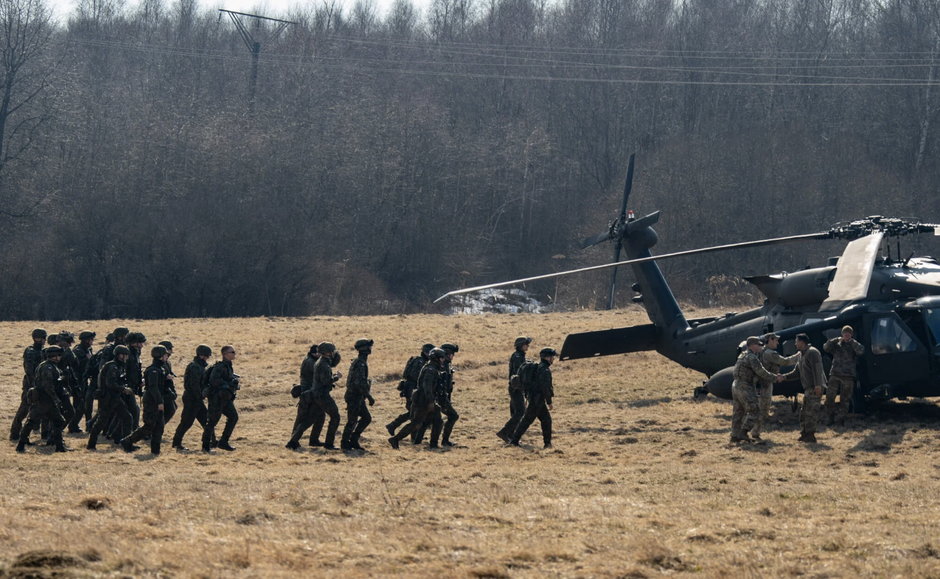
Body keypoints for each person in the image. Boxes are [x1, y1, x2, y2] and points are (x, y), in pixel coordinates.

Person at [388, 347, 446, 449]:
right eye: (441, 358)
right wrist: (431, 401)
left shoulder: (432, 368)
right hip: (422, 400)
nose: (443, 360)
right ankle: (395, 439)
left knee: (438, 421)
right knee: (416, 423)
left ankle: (433, 444)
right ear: (436, 358)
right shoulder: (430, 370)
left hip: (425, 399)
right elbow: (427, 387)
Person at [121, 345, 175, 455]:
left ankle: (155, 451)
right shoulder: (153, 370)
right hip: (152, 401)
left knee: (159, 426)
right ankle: (127, 441)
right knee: (149, 426)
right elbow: (153, 388)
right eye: (165, 354)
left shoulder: (161, 368)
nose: (166, 356)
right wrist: (160, 402)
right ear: (160, 356)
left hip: (157, 399)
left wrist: (167, 379)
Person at [730, 337, 782, 444]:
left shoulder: (743, 355)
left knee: (738, 412)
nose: (761, 346)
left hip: (736, 385)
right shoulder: (752, 357)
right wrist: (775, 377)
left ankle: (734, 436)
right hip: (745, 385)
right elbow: (761, 372)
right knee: (755, 410)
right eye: (759, 345)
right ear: (752, 345)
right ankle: (743, 433)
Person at [16, 346, 67, 452]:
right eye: (57, 355)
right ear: (53, 356)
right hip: (44, 400)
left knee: (58, 421)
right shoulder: (47, 367)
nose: (59, 358)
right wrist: (56, 399)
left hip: (46, 400)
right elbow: (48, 386)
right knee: (32, 421)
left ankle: (59, 447)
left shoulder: (52, 366)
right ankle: (21, 445)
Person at [751, 333, 800, 441]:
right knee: (763, 410)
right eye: (776, 340)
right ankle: (754, 433)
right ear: (769, 340)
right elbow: (785, 361)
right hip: (765, 384)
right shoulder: (769, 353)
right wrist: (799, 355)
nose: (778, 343)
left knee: (760, 409)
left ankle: (753, 432)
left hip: (760, 383)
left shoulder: (762, 351)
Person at [87, 345, 134, 449]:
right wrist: (123, 389)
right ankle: (91, 444)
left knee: (127, 418)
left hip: (115, 398)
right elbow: (110, 383)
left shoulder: (119, 366)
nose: (125, 357)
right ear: (118, 355)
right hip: (108, 399)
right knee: (101, 422)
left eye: (126, 355)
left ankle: (127, 444)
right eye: (123, 355)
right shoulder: (113, 366)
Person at [509, 347, 557, 448]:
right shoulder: (545, 370)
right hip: (537, 400)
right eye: (552, 357)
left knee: (545, 420)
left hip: (532, 397)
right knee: (527, 421)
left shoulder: (538, 367)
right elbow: (546, 387)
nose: (553, 359)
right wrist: (549, 402)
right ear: (547, 358)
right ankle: (514, 441)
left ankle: (547, 444)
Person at [786, 333, 827, 443]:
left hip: (815, 387)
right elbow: (797, 372)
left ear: (802, 342)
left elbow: (817, 369)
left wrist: (818, 385)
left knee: (811, 412)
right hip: (808, 388)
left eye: (796, 341)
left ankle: (810, 435)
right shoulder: (801, 354)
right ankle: (804, 434)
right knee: (804, 412)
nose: (795, 343)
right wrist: (784, 377)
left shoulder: (812, 352)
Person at [386, 343, 433, 437]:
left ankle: (394, 425)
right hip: (413, 389)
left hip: (409, 388)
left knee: (413, 412)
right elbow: (417, 377)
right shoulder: (421, 362)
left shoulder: (416, 359)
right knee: (415, 413)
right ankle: (396, 427)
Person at [172, 344, 213, 450]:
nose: (207, 358)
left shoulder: (198, 366)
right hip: (193, 398)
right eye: (206, 356)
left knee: (206, 421)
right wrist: (200, 395)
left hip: (195, 398)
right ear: (201, 355)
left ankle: (212, 441)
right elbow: (193, 385)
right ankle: (176, 443)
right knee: (187, 422)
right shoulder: (195, 367)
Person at [286, 344, 326, 449]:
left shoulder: (310, 360)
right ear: (315, 353)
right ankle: (293, 441)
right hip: (309, 395)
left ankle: (313, 440)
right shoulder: (311, 363)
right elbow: (320, 377)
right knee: (306, 419)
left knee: (320, 416)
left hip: (309, 393)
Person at [823, 325, 864, 426]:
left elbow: (861, 351)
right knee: (829, 397)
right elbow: (826, 348)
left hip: (848, 376)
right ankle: (830, 418)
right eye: (845, 333)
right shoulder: (837, 344)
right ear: (842, 334)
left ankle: (841, 419)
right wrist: (835, 340)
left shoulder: (854, 345)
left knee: (845, 399)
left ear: (851, 334)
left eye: (848, 333)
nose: (846, 335)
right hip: (835, 374)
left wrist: (852, 342)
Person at [10, 328, 46, 442]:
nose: (43, 340)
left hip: (39, 383)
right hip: (30, 384)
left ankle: (33, 430)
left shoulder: (42, 351)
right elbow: (29, 371)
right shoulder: (30, 351)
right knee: (24, 409)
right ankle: (15, 434)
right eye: (41, 338)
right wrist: (33, 386)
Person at [202, 345, 240, 452]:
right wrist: (229, 383)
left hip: (225, 398)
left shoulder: (228, 365)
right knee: (212, 421)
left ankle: (223, 442)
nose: (234, 354)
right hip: (217, 398)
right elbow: (214, 381)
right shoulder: (220, 366)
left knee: (233, 417)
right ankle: (205, 445)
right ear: (225, 354)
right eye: (231, 352)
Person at [341, 339, 376, 451]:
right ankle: (345, 442)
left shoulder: (360, 361)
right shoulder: (360, 363)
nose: (370, 349)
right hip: (354, 396)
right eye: (368, 347)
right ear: (364, 349)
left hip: (357, 396)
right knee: (352, 420)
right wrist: (369, 396)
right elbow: (359, 383)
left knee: (366, 418)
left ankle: (353, 440)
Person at [497, 336, 531, 443]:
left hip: (515, 387)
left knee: (516, 412)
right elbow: (518, 374)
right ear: (521, 345)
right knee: (520, 412)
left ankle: (510, 434)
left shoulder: (519, 356)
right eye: (526, 344)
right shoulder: (518, 357)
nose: (528, 346)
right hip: (516, 388)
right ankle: (505, 432)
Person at [310, 342, 343, 450]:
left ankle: (313, 441)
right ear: (328, 352)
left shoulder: (321, 362)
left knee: (319, 417)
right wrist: (336, 377)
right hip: (322, 395)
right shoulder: (324, 364)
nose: (334, 353)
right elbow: (326, 381)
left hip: (317, 394)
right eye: (332, 351)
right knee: (335, 417)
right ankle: (329, 444)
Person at [73, 331, 96, 430]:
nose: (92, 341)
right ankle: (73, 425)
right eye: (91, 339)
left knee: (88, 404)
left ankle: (88, 424)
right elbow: (79, 366)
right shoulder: (78, 351)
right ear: (86, 340)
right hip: (78, 380)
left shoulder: (88, 349)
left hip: (85, 379)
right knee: (79, 404)